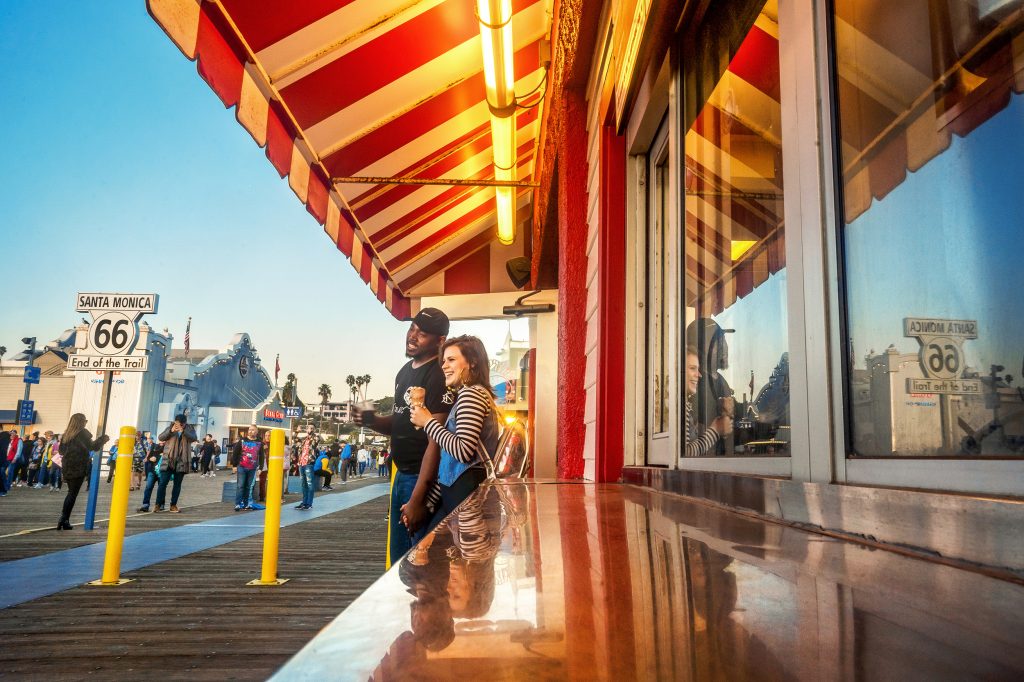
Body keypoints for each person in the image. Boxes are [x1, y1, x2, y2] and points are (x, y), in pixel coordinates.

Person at [356, 307, 455, 562]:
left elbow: (437, 441)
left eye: (422, 334)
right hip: (401, 474)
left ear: (440, 341)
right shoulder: (404, 372)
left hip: (422, 480)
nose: (413, 336)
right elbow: (399, 422)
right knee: (400, 559)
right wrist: (370, 420)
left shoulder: (439, 375)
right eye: (412, 329)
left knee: (419, 562)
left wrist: (418, 498)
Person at [409, 335, 498, 522]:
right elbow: (451, 469)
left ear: (472, 362)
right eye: (443, 361)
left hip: (469, 505)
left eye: (451, 359)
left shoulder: (471, 394)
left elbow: (463, 451)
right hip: (459, 499)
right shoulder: (474, 393)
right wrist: (428, 504)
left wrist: (427, 422)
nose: (443, 366)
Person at [56, 413, 109, 530]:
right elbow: (93, 447)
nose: (86, 422)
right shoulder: (83, 433)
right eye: (85, 420)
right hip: (78, 466)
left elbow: (61, 451)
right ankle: (64, 519)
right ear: (81, 422)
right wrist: (103, 439)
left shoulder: (66, 435)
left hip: (67, 467)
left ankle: (64, 519)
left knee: (70, 493)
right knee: (72, 494)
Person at [682, 347, 733, 458]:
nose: (699, 375)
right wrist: (716, 430)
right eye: (692, 368)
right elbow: (686, 453)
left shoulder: (682, 406)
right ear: (678, 371)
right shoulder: (678, 409)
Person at [155, 414, 196, 513]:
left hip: (182, 460)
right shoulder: (170, 427)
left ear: (185, 423)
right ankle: (158, 504)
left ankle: (173, 505)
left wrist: (184, 431)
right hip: (168, 459)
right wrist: (171, 431)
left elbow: (194, 438)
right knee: (162, 483)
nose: (179, 425)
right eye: (177, 423)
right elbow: (161, 437)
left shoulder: (189, 428)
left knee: (177, 485)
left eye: (181, 424)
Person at [231, 426, 265, 511]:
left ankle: (246, 504)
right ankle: (238, 504)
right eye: (249, 430)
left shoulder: (259, 442)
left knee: (249, 486)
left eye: (253, 430)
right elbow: (235, 453)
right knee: (240, 485)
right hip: (242, 466)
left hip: (253, 468)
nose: (251, 431)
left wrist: (260, 468)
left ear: (257, 431)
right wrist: (234, 465)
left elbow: (261, 456)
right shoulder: (242, 441)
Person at [137, 440, 164, 512]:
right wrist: (150, 459)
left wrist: (158, 458)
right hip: (152, 470)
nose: (162, 441)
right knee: (148, 488)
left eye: (164, 439)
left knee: (161, 488)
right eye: (161, 439)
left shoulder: (168, 447)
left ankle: (160, 504)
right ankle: (145, 505)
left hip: (162, 471)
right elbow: (147, 458)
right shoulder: (154, 446)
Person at [295, 430, 319, 510]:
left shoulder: (314, 440)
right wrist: (296, 432)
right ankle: (304, 502)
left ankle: (309, 503)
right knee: (303, 484)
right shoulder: (304, 440)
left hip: (309, 463)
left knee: (310, 484)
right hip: (302, 463)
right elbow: (296, 440)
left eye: (311, 428)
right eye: (308, 428)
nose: (308, 430)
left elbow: (317, 439)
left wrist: (312, 433)